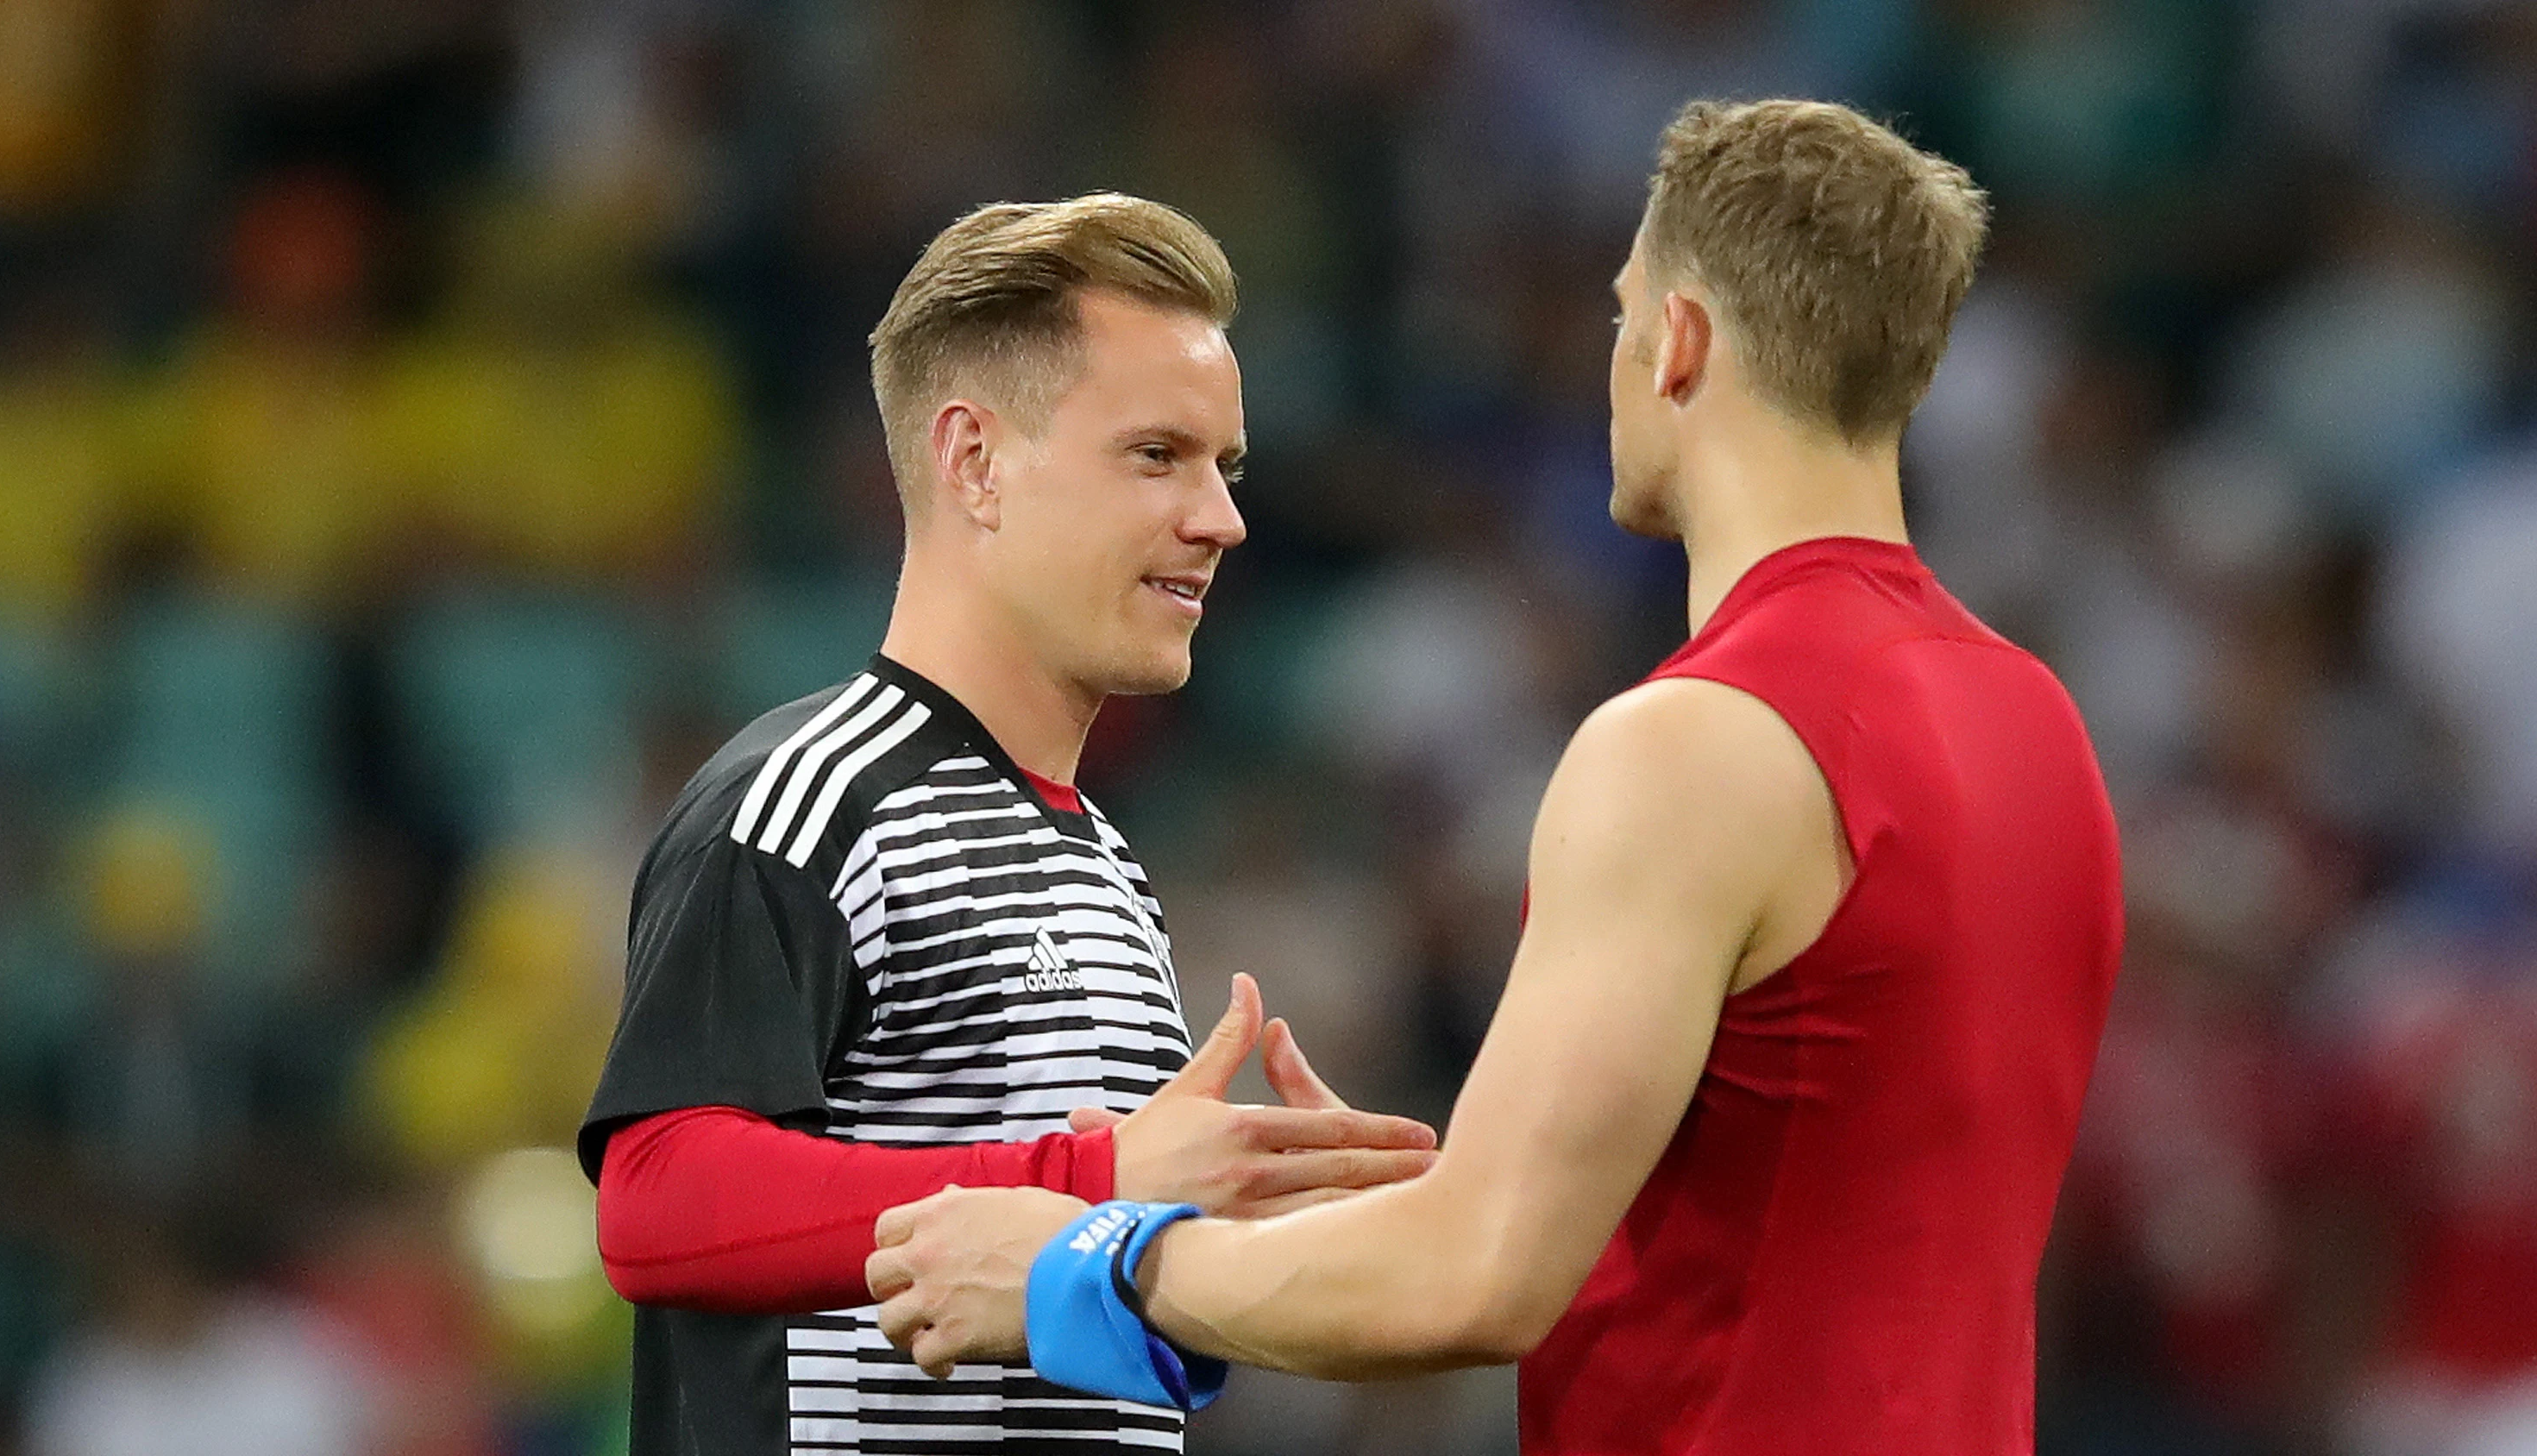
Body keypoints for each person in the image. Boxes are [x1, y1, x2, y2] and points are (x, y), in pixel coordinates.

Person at [862, 99, 2126, 1455]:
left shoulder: (1693, 744)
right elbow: (1817, 1206)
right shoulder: (2040, 724)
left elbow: (1479, 1282)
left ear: (1682, 342)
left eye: (1625, 314)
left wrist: (1076, 1264)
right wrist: (1440, 1194)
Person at [577, 193, 1440, 1456]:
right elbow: (655, 1203)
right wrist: (1100, 1185)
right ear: (975, 461)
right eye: (1159, 456)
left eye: (1226, 466)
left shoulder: (1105, 867)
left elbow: (1060, 1307)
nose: (1222, 519)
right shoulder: (803, 804)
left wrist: (1250, 1235)